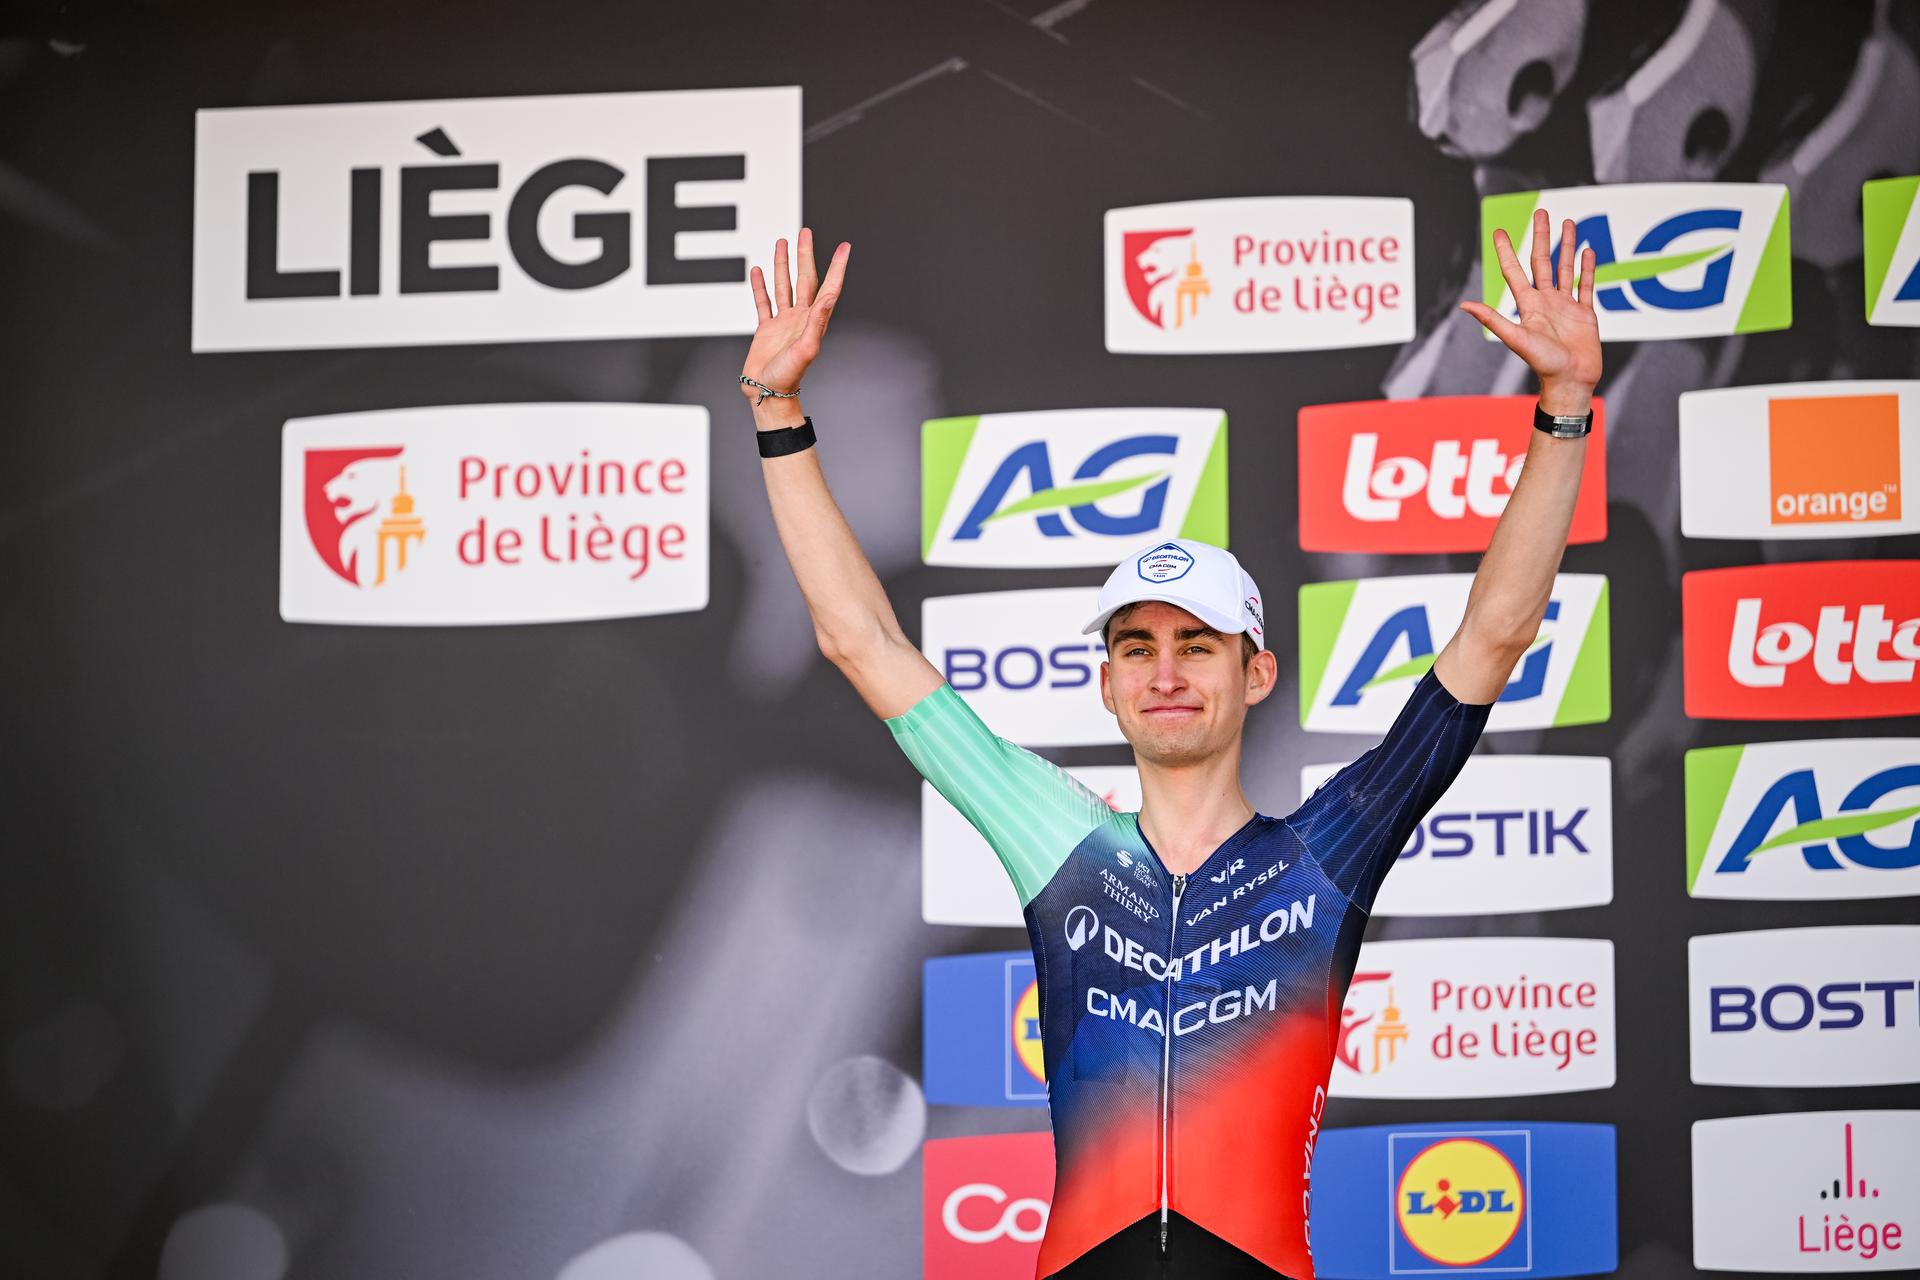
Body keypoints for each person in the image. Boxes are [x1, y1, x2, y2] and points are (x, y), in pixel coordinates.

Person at [740, 214, 1600, 1278]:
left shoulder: (1305, 846)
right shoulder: (1061, 834)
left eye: (1197, 645)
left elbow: (1495, 634)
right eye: (1139, 649)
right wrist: (775, 409)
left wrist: (1564, 411)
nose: (1166, 674)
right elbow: (859, 639)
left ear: (1256, 671)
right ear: (1109, 685)